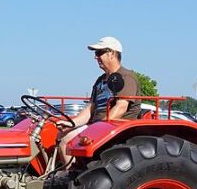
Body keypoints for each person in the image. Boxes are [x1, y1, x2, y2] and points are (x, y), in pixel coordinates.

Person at [57, 36, 140, 166]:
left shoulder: (126, 77)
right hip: (97, 125)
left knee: (67, 142)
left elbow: (121, 107)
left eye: (99, 53)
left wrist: (99, 129)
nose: (96, 57)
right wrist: (72, 123)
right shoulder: (101, 80)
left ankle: (69, 177)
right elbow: (91, 108)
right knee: (61, 135)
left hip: (115, 128)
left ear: (112, 54)